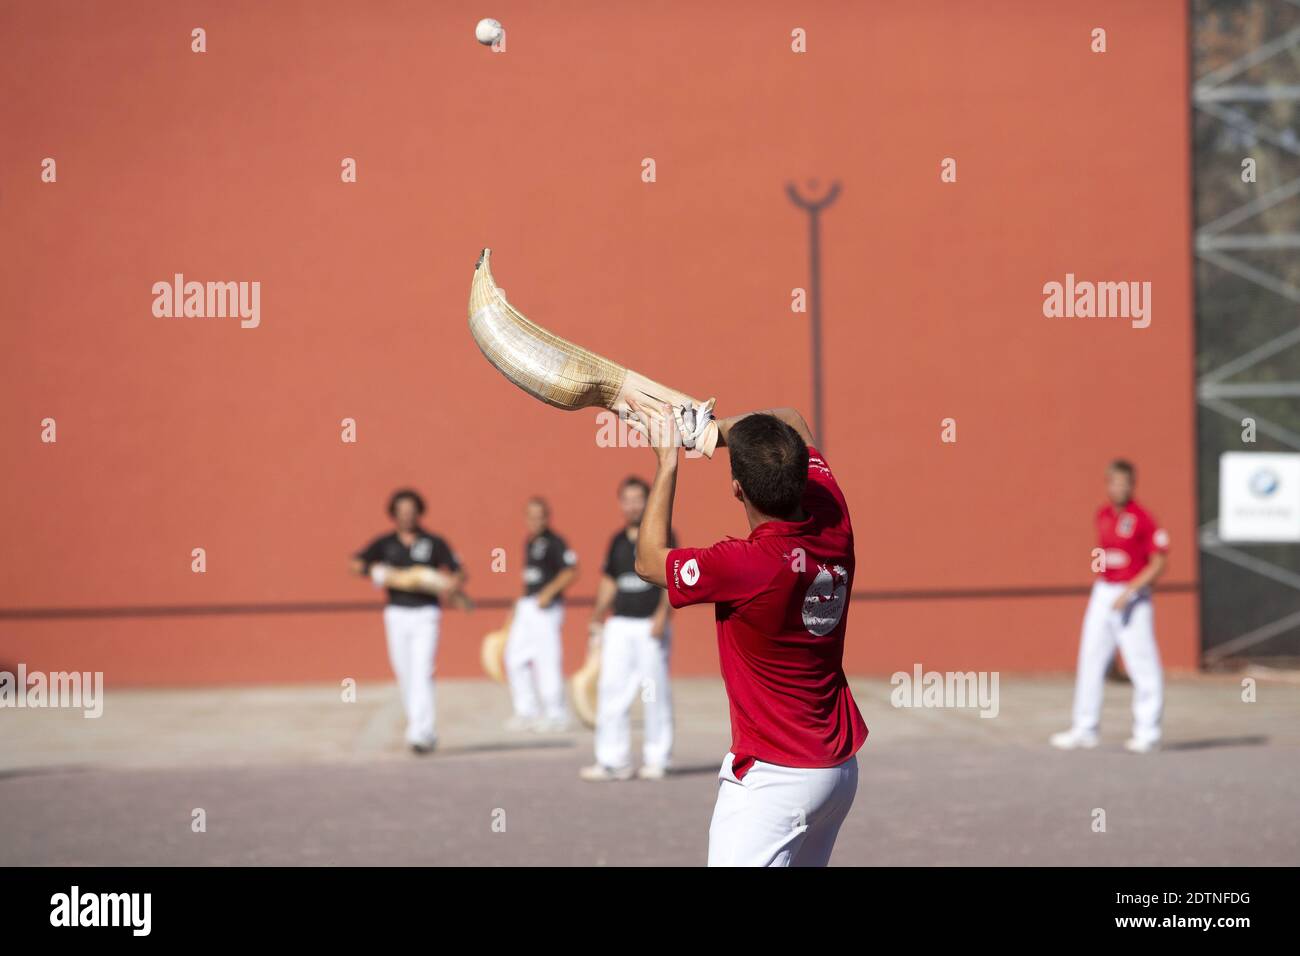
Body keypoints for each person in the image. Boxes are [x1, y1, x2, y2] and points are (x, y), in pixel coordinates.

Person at [625, 400, 867, 867]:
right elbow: (792, 419)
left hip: (776, 780)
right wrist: (710, 433)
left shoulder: (744, 564)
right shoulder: (833, 517)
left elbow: (648, 561)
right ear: (802, 475)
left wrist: (669, 459)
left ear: (738, 490)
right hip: (836, 769)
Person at [1051, 460, 1167, 754]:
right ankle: (1085, 728)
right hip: (1103, 591)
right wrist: (1106, 584)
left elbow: (1159, 562)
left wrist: (1130, 590)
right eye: (1114, 482)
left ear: (1132, 484)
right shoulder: (1102, 514)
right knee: (1090, 658)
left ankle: (1147, 731)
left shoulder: (1143, 519)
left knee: (1142, 664)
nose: (1119, 488)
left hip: (1133, 596)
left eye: (1124, 482)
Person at [351, 489, 465, 754]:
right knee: (405, 673)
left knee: (423, 670)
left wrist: (450, 586)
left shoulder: (434, 542)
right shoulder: (385, 543)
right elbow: (355, 563)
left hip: (426, 613)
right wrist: (375, 571)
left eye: (411, 510)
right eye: (402, 511)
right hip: (396, 613)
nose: (407, 515)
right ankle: (421, 726)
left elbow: (458, 572)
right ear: (394, 514)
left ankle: (421, 733)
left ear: (419, 512)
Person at [579, 476, 675, 782]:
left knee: (653, 693)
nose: (633, 505)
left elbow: (672, 578)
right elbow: (610, 580)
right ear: (621, 503)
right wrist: (596, 615)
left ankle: (657, 758)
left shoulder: (662, 534)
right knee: (612, 691)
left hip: (650, 626)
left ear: (649, 501)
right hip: (619, 625)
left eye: (638, 499)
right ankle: (612, 760)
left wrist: (662, 617)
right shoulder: (617, 540)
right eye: (627, 499)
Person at [504, 497, 578, 732]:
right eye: (531, 516)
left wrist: (549, 592)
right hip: (528, 606)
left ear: (547, 517)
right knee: (514, 657)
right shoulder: (529, 541)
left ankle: (557, 713)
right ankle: (527, 711)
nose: (536, 521)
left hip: (547, 609)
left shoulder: (556, 542)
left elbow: (571, 571)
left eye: (540, 516)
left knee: (546, 661)